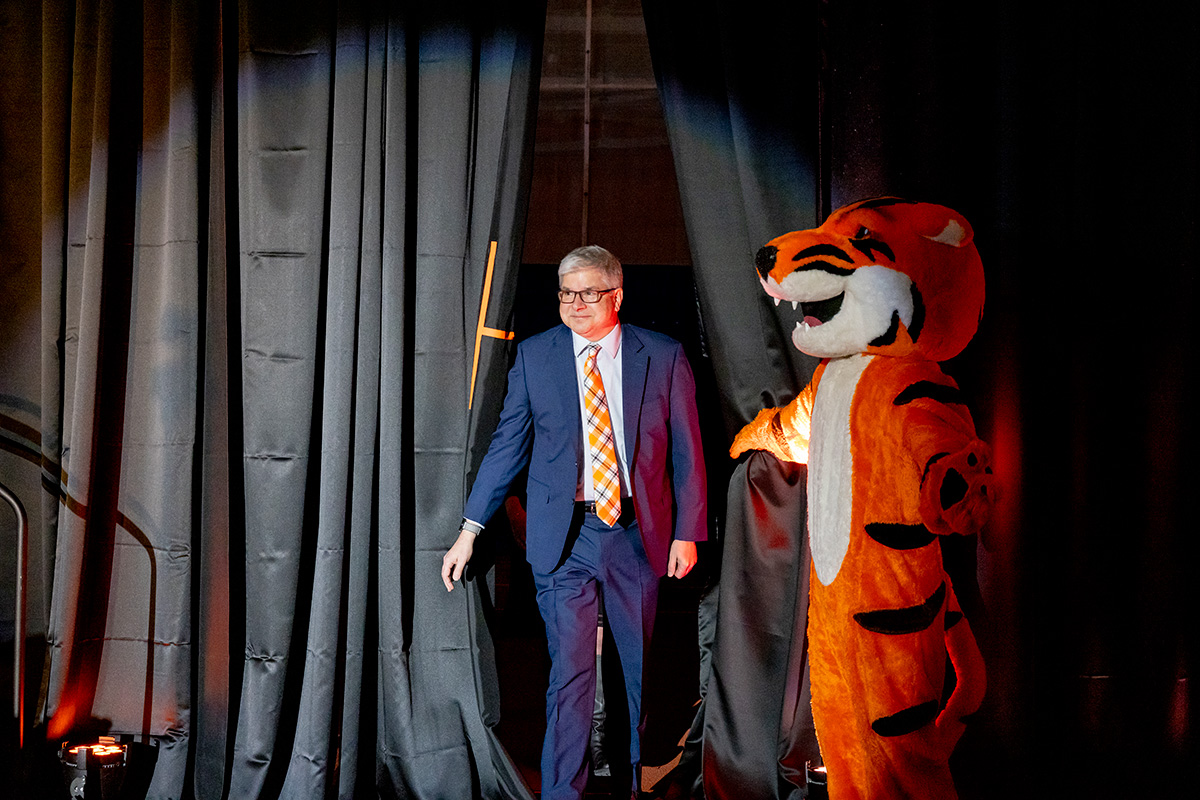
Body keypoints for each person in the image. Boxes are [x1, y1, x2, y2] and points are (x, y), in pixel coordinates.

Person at [441, 245, 707, 800]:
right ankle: (563, 791)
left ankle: (629, 787)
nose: (576, 303)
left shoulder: (661, 354)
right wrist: (470, 530)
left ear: (617, 295)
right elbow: (506, 446)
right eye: (566, 293)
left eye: (588, 292)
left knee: (634, 673)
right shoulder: (536, 357)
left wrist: (688, 531)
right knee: (570, 674)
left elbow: (687, 449)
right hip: (565, 539)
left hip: (637, 535)